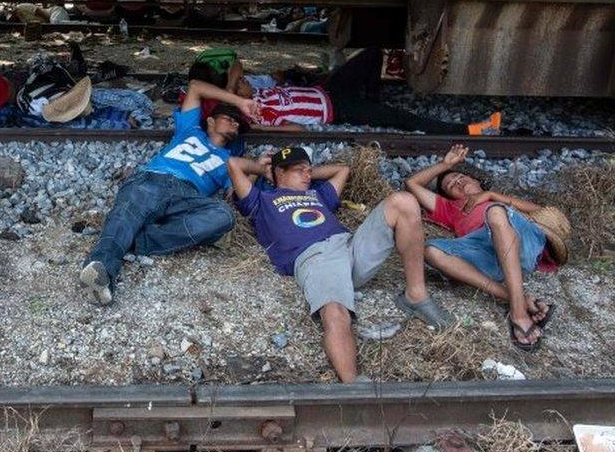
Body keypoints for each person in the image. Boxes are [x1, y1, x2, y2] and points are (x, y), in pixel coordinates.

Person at [228, 147, 454, 382]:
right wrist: (265, 170)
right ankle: (353, 384)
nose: (307, 176)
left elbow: (342, 169)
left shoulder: (318, 195)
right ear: (279, 172)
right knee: (335, 312)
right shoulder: (260, 201)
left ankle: (415, 294)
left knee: (404, 201)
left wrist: (307, 173)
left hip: (348, 246)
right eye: (299, 171)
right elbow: (234, 163)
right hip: (316, 257)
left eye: (309, 170)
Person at [79, 80, 265, 306]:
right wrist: (240, 102)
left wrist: (258, 170)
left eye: (238, 122)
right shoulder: (190, 130)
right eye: (229, 118)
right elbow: (196, 86)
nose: (235, 123)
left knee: (223, 216)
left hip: (188, 196)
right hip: (152, 179)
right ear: (210, 121)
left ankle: (138, 241)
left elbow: (234, 197)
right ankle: (101, 274)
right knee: (127, 212)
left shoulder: (230, 161)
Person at [403, 144, 568, 351]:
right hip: (488, 258)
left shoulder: (497, 199)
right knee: (430, 251)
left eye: (461, 177)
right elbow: (411, 183)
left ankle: (517, 312)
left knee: (496, 213)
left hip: (522, 246)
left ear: (476, 179)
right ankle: (518, 298)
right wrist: (445, 164)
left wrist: (491, 196)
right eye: (450, 185)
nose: (458, 182)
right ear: (448, 196)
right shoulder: (449, 208)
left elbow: (542, 211)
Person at [187, 48, 502, 135]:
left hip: (330, 90)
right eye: (241, 81)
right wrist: (256, 120)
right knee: (402, 119)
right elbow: (294, 128)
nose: (249, 82)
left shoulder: (256, 94)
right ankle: (471, 128)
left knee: (371, 54)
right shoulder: (255, 113)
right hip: (338, 109)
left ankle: (372, 99)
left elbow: (251, 75)